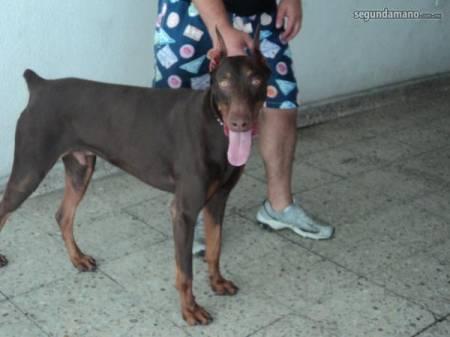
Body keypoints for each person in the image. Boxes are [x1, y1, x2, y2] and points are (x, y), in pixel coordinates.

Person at [153, 0, 333, 255]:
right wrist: (222, 27)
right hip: (192, 14)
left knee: (280, 101)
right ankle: (191, 208)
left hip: (259, 14)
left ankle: (279, 207)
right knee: (183, 109)